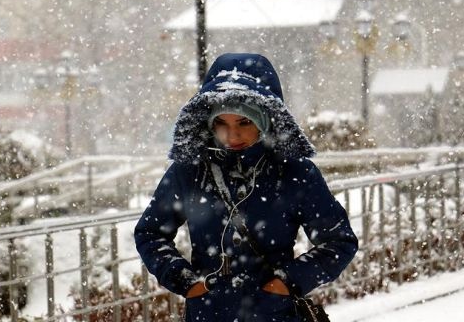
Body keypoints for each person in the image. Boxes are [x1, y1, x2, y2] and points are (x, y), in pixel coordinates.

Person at [134, 53, 358, 322]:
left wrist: (286, 283)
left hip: (274, 315)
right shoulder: (190, 170)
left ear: (265, 119)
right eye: (221, 123)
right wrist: (188, 283)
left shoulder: (294, 172)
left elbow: (339, 241)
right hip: (208, 314)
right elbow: (150, 233)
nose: (232, 135)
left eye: (244, 122)